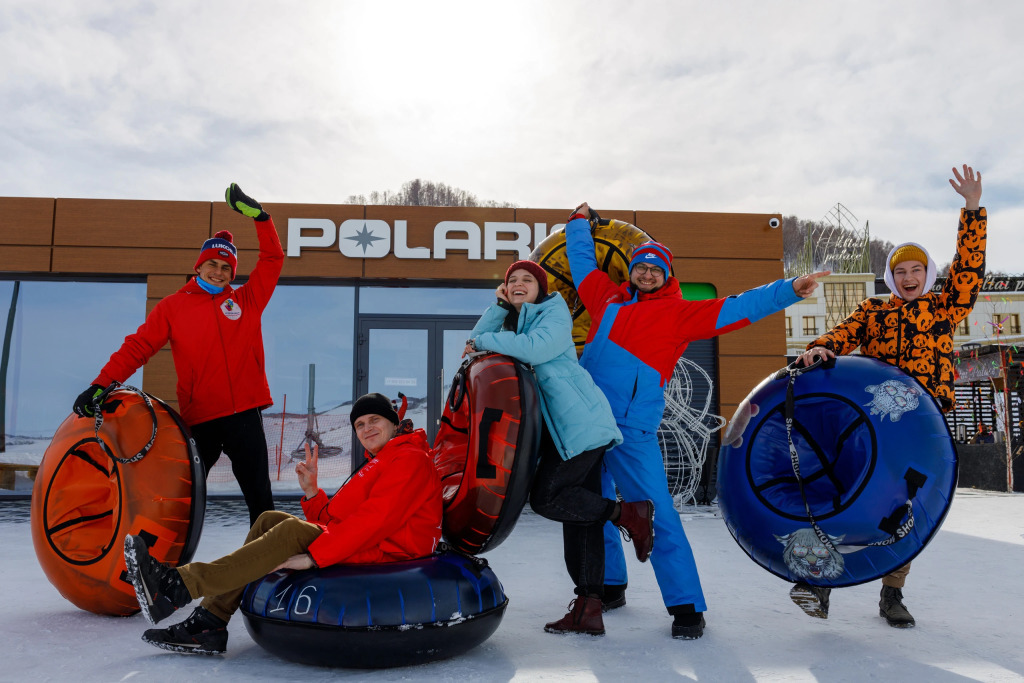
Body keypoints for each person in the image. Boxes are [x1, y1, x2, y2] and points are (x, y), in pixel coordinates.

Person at [565, 205, 827, 639]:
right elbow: (581, 263)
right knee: (594, 508)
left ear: (667, 276)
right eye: (641, 266)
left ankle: (686, 606)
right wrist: (577, 224)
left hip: (631, 430)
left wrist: (789, 290)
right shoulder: (605, 298)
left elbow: (739, 307)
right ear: (631, 271)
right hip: (588, 425)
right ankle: (609, 586)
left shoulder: (681, 313)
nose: (647, 273)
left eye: (656, 268)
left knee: (656, 513)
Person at [795, 164, 985, 628]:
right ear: (890, 276)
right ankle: (821, 582)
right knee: (849, 492)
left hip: (925, 425)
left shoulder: (945, 307)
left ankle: (892, 594)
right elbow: (839, 336)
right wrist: (818, 348)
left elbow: (969, 270)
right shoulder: (874, 312)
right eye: (899, 271)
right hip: (877, 421)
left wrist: (973, 210)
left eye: (916, 269)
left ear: (928, 273)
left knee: (906, 508)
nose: (908, 277)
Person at [123, 392, 443, 655]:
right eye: (360, 424)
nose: (367, 428)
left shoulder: (409, 459)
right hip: (372, 540)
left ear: (393, 422)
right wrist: (313, 493)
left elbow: (376, 520)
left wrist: (316, 556)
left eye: (375, 420)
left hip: (392, 552)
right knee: (269, 520)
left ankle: (177, 586)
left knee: (289, 530)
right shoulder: (381, 461)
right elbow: (337, 521)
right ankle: (210, 622)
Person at [72, 184, 283, 527]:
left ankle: (271, 571)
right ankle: (164, 567)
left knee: (261, 502)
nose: (218, 272)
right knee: (181, 501)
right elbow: (138, 347)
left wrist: (261, 218)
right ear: (198, 267)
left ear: (233, 273)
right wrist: (101, 384)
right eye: (212, 264)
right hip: (201, 419)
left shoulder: (247, 301)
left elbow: (273, 259)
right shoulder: (173, 306)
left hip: (245, 415)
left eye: (226, 268)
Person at [464, 260, 649, 637]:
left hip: (580, 423)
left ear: (540, 287)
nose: (517, 284)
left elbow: (533, 349)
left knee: (548, 499)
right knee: (579, 518)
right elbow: (473, 344)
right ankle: (589, 608)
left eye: (526, 280)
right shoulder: (513, 322)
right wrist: (498, 309)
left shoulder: (553, 313)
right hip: (559, 431)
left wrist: (484, 340)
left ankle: (628, 513)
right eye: (511, 280)